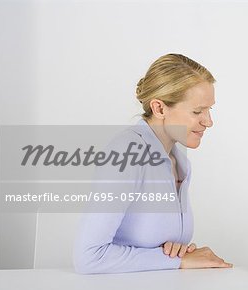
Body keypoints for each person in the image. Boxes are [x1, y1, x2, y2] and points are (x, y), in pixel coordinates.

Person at [73, 53, 232, 274]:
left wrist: (177, 252)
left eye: (209, 110)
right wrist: (176, 260)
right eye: (197, 111)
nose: (209, 122)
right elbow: (89, 257)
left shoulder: (179, 161)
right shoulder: (127, 153)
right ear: (159, 108)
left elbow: (155, 248)